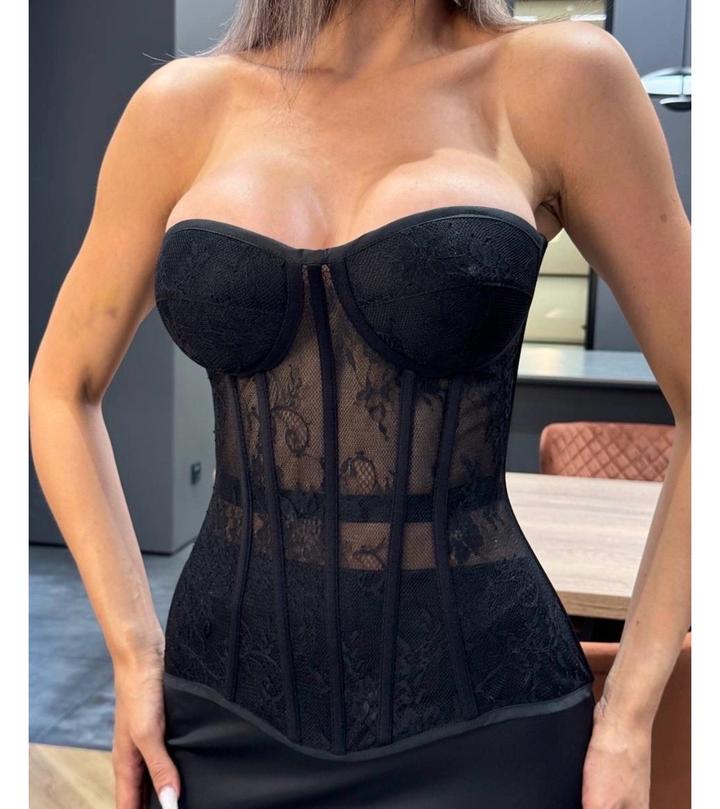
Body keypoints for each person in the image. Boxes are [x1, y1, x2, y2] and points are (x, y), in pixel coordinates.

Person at [28, 1, 691, 808]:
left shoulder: (560, 80)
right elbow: (60, 389)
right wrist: (134, 654)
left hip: (487, 728)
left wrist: (630, 713)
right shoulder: (181, 108)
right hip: (222, 719)